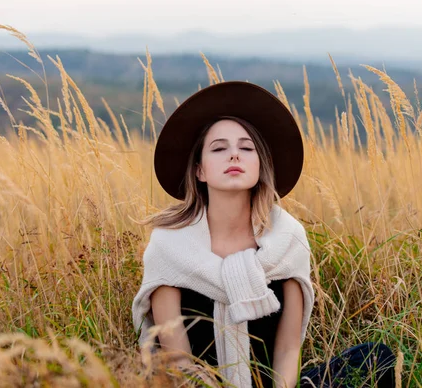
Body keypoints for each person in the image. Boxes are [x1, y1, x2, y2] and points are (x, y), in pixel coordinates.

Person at [131, 81, 396, 387]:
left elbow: (287, 349)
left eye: (246, 148)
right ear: (199, 170)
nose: (234, 155)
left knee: (376, 357)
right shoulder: (169, 245)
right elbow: (178, 363)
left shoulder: (287, 240)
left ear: (260, 165)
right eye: (219, 148)